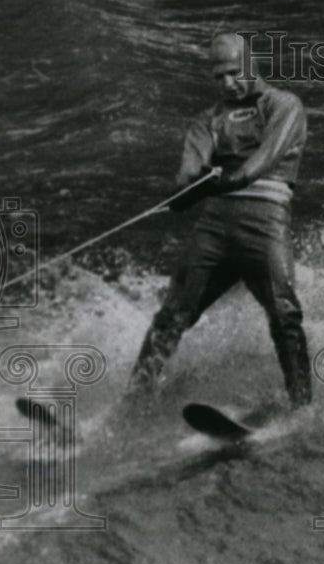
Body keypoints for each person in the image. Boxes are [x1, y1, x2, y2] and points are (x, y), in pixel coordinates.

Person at [126, 32, 312, 410]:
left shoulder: (284, 105)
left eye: (233, 73)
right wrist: (187, 189)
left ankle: (302, 408)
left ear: (250, 64)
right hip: (214, 228)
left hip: (265, 223)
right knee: (172, 316)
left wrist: (230, 178)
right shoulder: (207, 120)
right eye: (218, 77)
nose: (227, 83)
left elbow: (263, 160)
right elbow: (186, 176)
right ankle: (132, 402)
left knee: (284, 315)